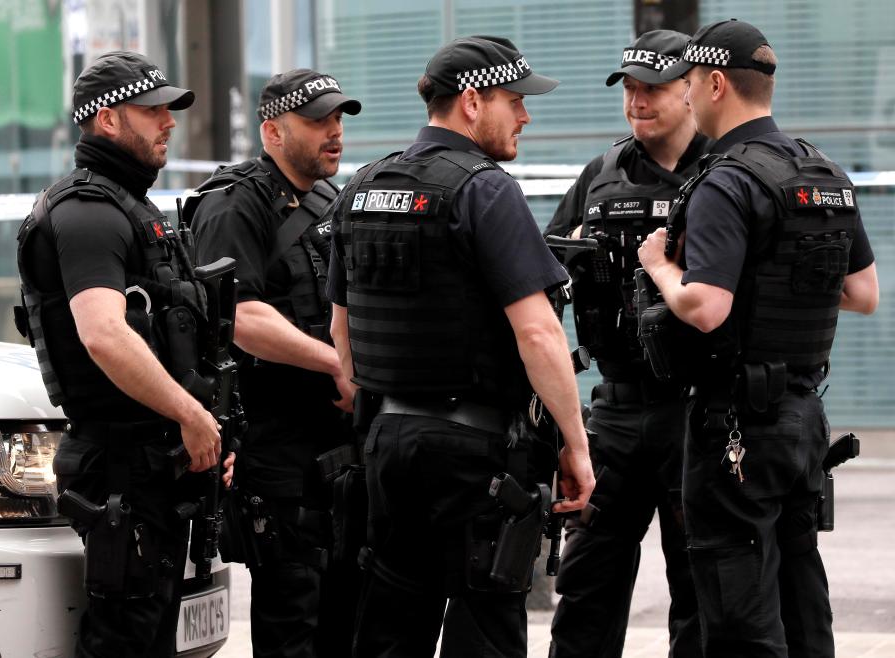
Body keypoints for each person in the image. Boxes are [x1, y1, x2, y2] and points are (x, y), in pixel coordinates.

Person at [326, 35, 595, 658]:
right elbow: (537, 332)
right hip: (477, 455)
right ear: (472, 103)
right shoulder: (485, 189)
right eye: (515, 100)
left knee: (391, 630)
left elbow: (341, 338)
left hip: (387, 447)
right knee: (485, 631)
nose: (525, 115)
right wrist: (576, 447)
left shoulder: (362, 186)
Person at [638, 19, 879, 658]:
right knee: (802, 596)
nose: (684, 96)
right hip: (803, 418)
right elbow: (863, 294)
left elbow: (706, 307)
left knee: (739, 609)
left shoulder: (728, 180)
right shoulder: (822, 172)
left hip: (734, 424)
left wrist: (660, 266)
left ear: (716, 84)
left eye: (688, 83)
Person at [15, 51, 234, 657]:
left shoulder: (131, 208)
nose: (169, 122)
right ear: (108, 120)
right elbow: (104, 335)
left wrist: (209, 436)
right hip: (120, 467)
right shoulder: (86, 212)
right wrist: (193, 417)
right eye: (154, 109)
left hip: (157, 463)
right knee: (126, 642)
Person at [543, 29, 707, 658]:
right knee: (588, 585)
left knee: (699, 587)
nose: (637, 100)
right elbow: (547, 277)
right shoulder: (601, 175)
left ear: (691, 91)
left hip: (699, 410)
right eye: (629, 89)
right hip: (616, 408)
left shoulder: (726, 170)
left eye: (653, 89)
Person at [188, 69, 362, 658]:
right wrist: (337, 364)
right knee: (294, 626)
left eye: (339, 119)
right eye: (317, 121)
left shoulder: (328, 198)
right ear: (272, 132)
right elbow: (240, 316)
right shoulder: (234, 204)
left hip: (338, 451)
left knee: (347, 623)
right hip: (278, 453)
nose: (334, 132)